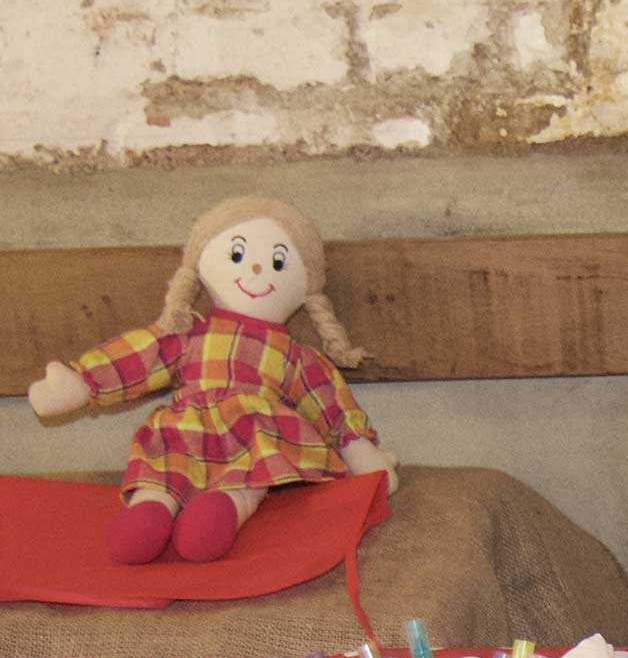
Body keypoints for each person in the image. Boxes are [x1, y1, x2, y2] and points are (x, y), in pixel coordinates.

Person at [26, 196, 397, 565]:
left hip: (252, 431)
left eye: (276, 262)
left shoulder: (295, 357)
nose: (254, 270)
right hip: (187, 425)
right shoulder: (187, 334)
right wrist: (81, 382)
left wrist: (363, 455)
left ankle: (226, 506)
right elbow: (142, 356)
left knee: (248, 479)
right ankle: (151, 507)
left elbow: (330, 404)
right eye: (237, 256)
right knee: (166, 466)